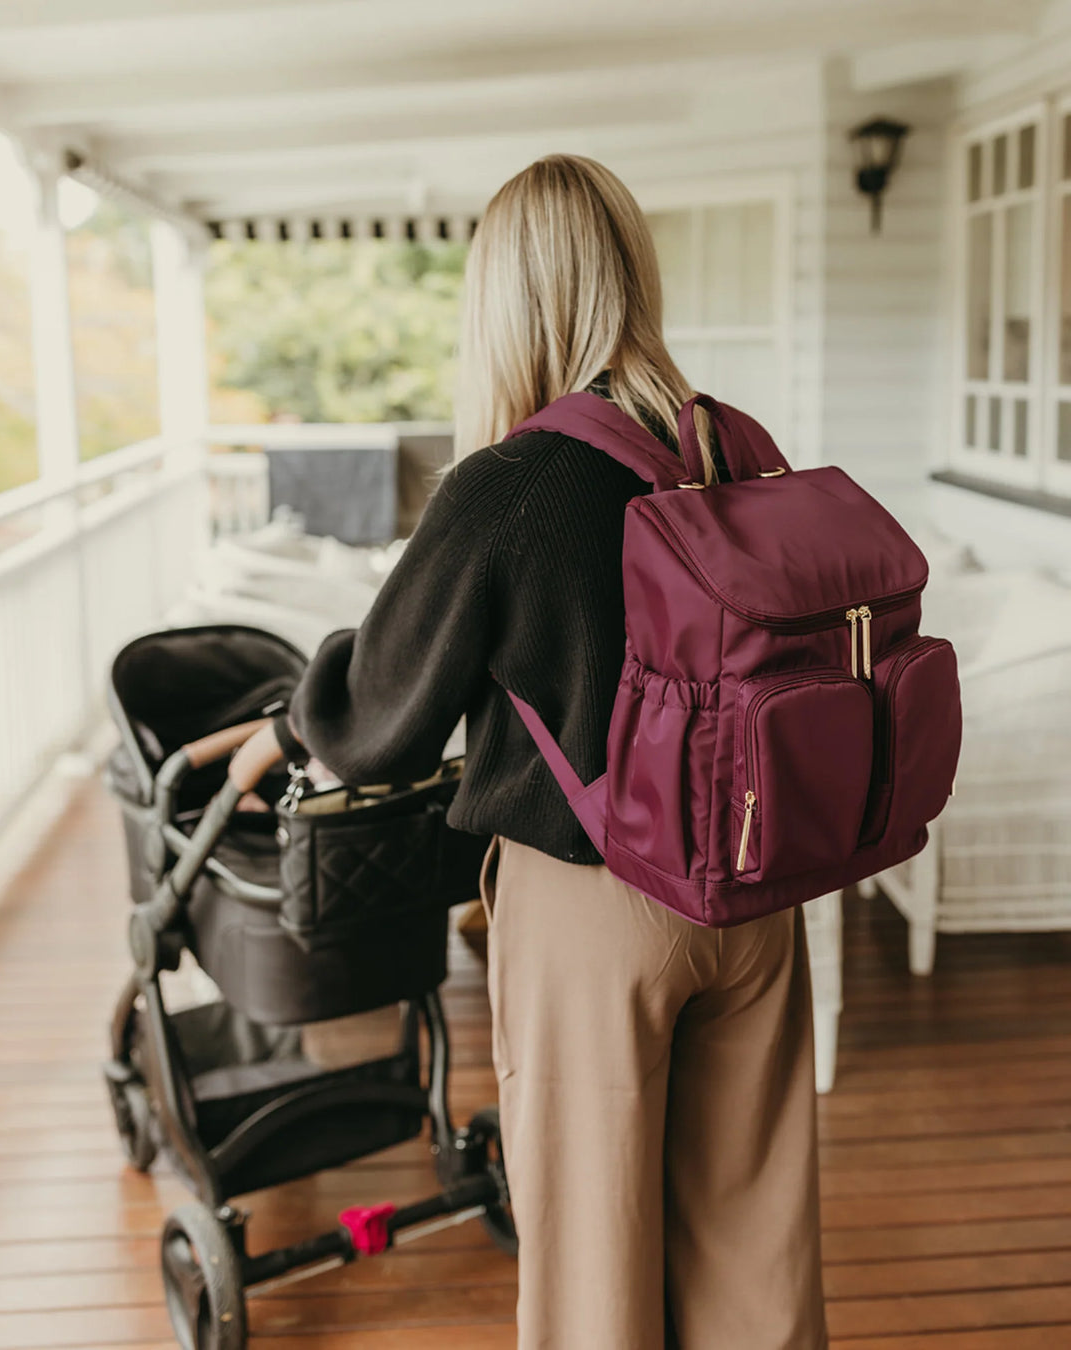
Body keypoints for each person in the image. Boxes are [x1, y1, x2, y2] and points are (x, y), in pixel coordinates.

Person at [278, 154, 827, 1350]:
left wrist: (292, 703)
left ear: (505, 304)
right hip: (760, 891)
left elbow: (375, 719)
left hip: (602, 911)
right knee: (756, 1260)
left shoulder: (510, 485)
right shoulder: (736, 449)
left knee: (595, 1281)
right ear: (630, 276)